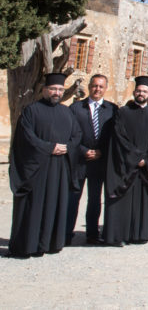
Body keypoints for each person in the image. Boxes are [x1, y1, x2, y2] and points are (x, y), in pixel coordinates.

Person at [9, 73, 81, 258]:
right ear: (44, 90)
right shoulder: (31, 110)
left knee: (55, 204)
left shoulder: (67, 112)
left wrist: (67, 147)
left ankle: (50, 243)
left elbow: (77, 135)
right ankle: (28, 245)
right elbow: (26, 137)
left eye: (60, 90)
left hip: (59, 168)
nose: (56, 93)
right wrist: (50, 147)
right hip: (37, 169)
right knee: (34, 205)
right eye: (53, 89)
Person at [104, 76, 148, 246]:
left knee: (142, 201)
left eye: (145, 91)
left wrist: (147, 160)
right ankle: (119, 235)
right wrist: (136, 158)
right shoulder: (123, 113)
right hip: (126, 165)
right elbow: (119, 137)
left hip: (145, 168)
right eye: (139, 90)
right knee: (123, 200)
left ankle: (139, 234)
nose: (141, 93)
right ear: (134, 92)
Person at [67, 73, 116, 245]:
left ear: (105, 88)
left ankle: (92, 234)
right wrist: (83, 150)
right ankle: (66, 233)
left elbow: (113, 136)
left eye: (101, 86)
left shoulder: (112, 109)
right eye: (95, 86)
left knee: (95, 199)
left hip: (99, 162)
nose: (97, 89)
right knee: (73, 197)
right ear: (89, 86)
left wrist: (101, 151)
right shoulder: (75, 108)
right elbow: (70, 134)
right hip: (79, 161)